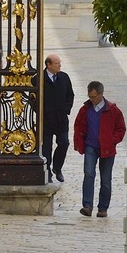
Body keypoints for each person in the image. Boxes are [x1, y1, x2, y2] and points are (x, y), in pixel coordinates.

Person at [72, 80, 126, 218]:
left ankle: (103, 208)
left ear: (101, 94)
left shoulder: (113, 110)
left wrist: (113, 141)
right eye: (89, 96)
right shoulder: (85, 109)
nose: (91, 99)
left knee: (106, 179)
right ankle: (87, 206)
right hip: (90, 146)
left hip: (107, 149)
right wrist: (79, 141)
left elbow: (121, 128)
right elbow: (78, 125)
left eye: (94, 97)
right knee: (89, 175)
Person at [39, 53, 76, 183]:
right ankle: (47, 170)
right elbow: (33, 99)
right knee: (46, 148)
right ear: (48, 65)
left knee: (64, 143)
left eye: (59, 62)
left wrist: (66, 109)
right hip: (46, 120)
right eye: (56, 63)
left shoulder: (64, 77)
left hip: (61, 119)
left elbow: (70, 95)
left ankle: (57, 167)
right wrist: (42, 112)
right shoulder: (39, 79)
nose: (59, 65)